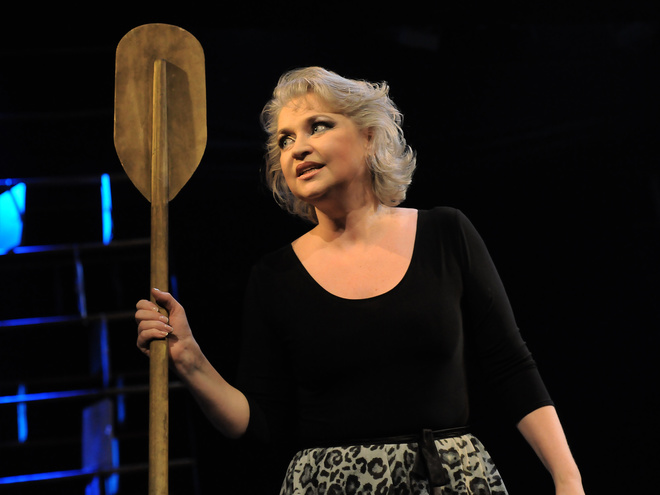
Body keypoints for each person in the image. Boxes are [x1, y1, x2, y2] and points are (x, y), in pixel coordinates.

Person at [136, 67, 585, 494]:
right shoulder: (274, 277)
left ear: (369, 136)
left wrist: (567, 478)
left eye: (318, 126)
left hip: (448, 480)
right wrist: (189, 358)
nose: (297, 148)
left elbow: (511, 366)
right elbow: (257, 421)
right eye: (285, 140)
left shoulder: (446, 234)